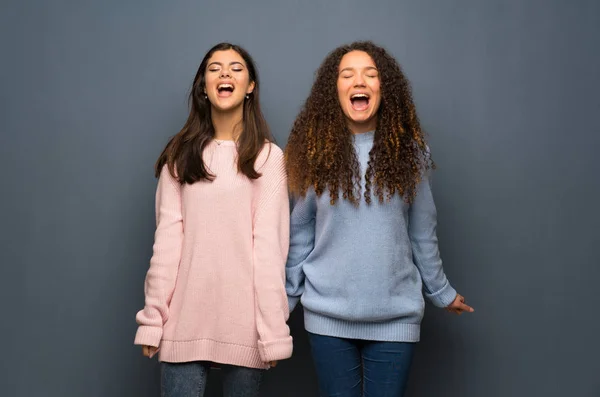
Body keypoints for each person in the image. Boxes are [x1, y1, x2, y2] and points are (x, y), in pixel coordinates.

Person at [285, 41, 474, 397]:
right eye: (348, 74)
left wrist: (441, 292)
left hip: (396, 318)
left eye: (371, 74)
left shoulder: (411, 154)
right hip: (328, 317)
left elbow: (422, 232)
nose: (360, 81)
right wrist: (283, 299)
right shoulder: (314, 154)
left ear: (384, 88)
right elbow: (301, 233)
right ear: (333, 90)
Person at [134, 42, 292, 397]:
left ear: (250, 86)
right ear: (203, 86)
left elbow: (270, 251)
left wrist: (273, 332)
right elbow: (167, 245)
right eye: (215, 67)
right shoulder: (181, 155)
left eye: (236, 68)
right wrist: (152, 320)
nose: (225, 73)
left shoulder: (268, 159)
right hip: (183, 324)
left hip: (246, 329)